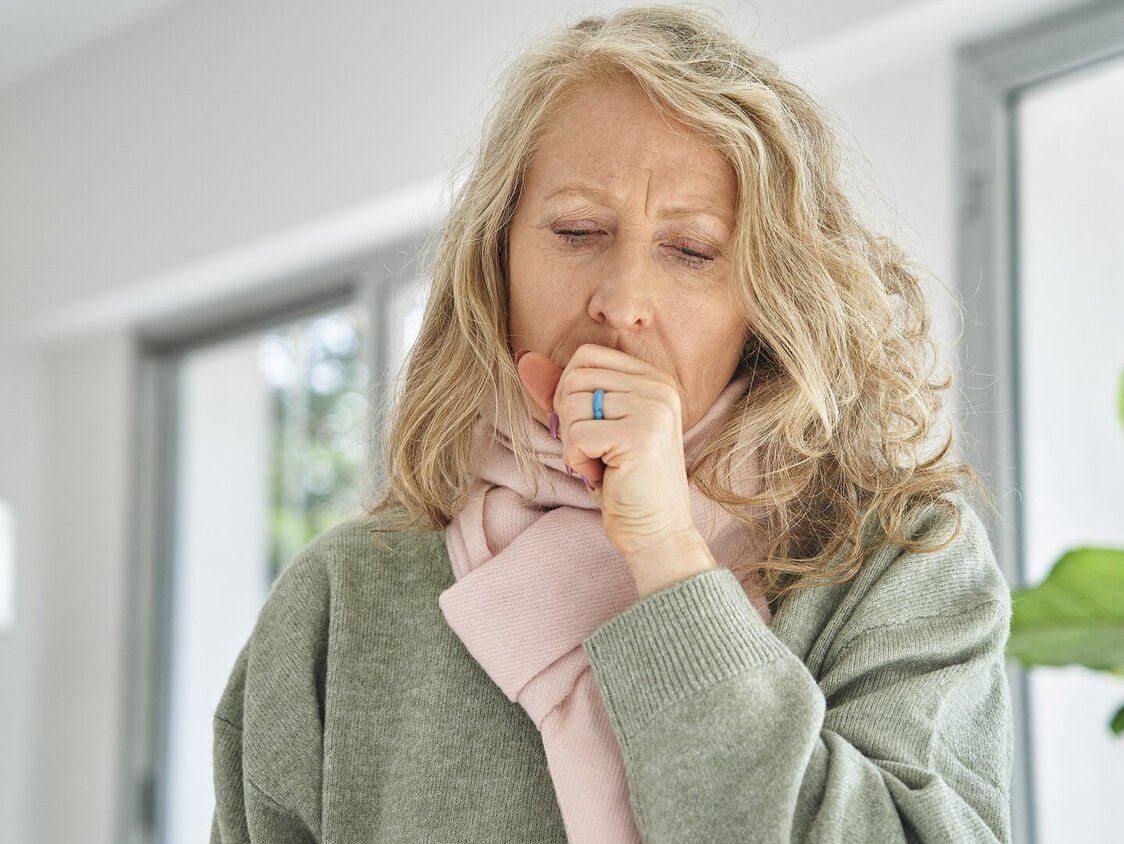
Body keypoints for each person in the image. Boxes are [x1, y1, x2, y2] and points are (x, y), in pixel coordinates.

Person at [210, 5, 1014, 842]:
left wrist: (667, 554)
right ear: (498, 262)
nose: (622, 303)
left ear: (767, 301)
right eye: (578, 231)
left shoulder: (900, 560)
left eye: (693, 251)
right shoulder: (342, 601)